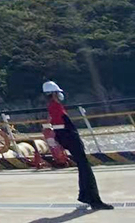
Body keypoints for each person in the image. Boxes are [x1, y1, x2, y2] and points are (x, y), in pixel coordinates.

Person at [44, 80, 112, 211]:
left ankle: (85, 196)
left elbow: (51, 122)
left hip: (65, 136)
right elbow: (58, 123)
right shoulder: (55, 106)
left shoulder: (52, 106)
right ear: (54, 93)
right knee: (85, 167)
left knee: (83, 166)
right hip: (69, 136)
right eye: (58, 93)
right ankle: (94, 200)